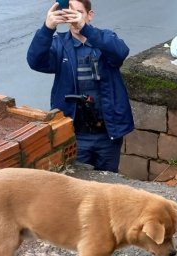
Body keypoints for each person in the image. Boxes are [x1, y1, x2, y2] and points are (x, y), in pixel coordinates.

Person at [27, 0, 134, 172]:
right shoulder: (59, 44)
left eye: (78, 13)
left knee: (107, 184)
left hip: (107, 134)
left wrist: (85, 29)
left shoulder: (105, 39)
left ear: (89, 16)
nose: (74, 19)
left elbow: (120, 53)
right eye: (70, 15)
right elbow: (35, 61)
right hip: (76, 134)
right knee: (77, 183)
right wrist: (47, 29)